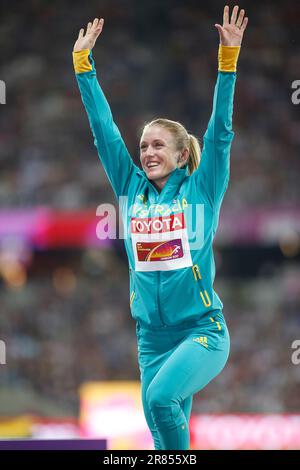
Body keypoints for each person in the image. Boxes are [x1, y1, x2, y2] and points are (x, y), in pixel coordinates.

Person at [72, 5, 248, 450]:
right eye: (143, 145)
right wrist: (83, 67)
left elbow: (221, 132)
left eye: (157, 145)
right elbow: (103, 130)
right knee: (164, 438)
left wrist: (227, 63)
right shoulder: (130, 188)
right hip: (150, 338)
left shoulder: (203, 187)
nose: (147, 152)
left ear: (182, 154)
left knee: (159, 398)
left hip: (201, 331)